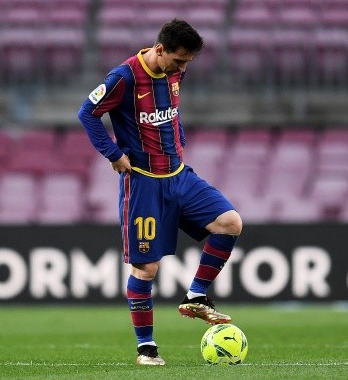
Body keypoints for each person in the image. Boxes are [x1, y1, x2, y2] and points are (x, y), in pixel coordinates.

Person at [78, 19, 242, 366]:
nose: (182, 68)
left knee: (230, 222)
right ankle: (146, 349)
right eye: (179, 61)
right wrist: (114, 154)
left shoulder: (175, 73)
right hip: (143, 183)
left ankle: (197, 295)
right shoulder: (123, 78)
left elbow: (172, 112)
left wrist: (178, 137)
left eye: (187, 63)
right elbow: (87, 113)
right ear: (159, 49)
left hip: (180, 177)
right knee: (146, 268)